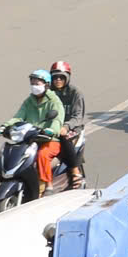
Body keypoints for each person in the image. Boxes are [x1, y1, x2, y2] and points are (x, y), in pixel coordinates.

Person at [46, 61, 88, 189]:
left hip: (72, 128)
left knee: (63, 137)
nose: (58, 80)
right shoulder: (48, 93)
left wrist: (66, 127)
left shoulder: (75, 93)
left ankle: (75, 172)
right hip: (51, 126)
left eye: (61, 77)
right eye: (55, 77)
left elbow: (77, 117)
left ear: (67, 78)